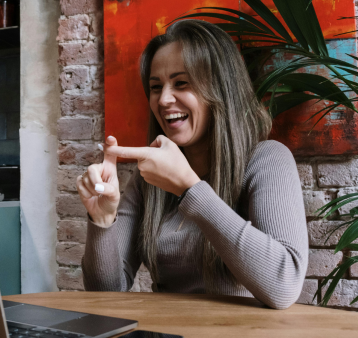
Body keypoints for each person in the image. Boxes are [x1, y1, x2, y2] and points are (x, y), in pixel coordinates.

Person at [76, 19, 308, 309]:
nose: (164, 99)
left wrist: (189, 189)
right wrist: (102, 220)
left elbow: (284, 287)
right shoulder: (147, 179)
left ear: (220, 88)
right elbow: (105, 295)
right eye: (156, 87)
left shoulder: (267, 160)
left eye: (181, 83)